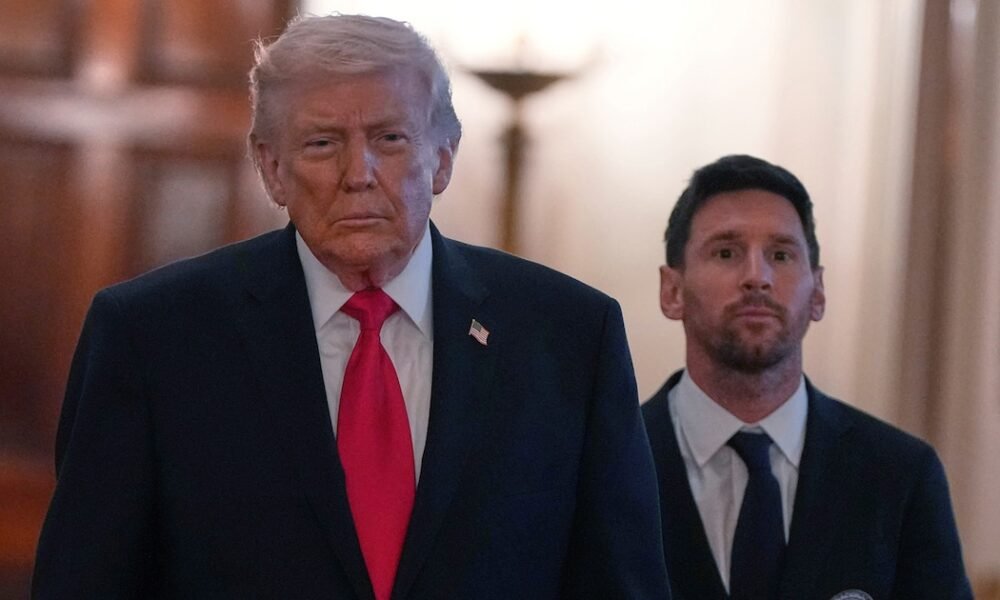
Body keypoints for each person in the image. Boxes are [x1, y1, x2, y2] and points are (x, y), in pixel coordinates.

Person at [32, 14, 670, 600]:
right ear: (271, 169)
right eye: (322, 143)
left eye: (389, 138)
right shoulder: (154, 338)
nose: (358, 173)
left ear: (442, 158)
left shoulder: (567, 336)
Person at [642, 154, 972, 600]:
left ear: (817, 292)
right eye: (726, 252)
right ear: (672, 291)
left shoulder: (900, 475)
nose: (757, 277)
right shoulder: (608, 462)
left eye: (780, 255)